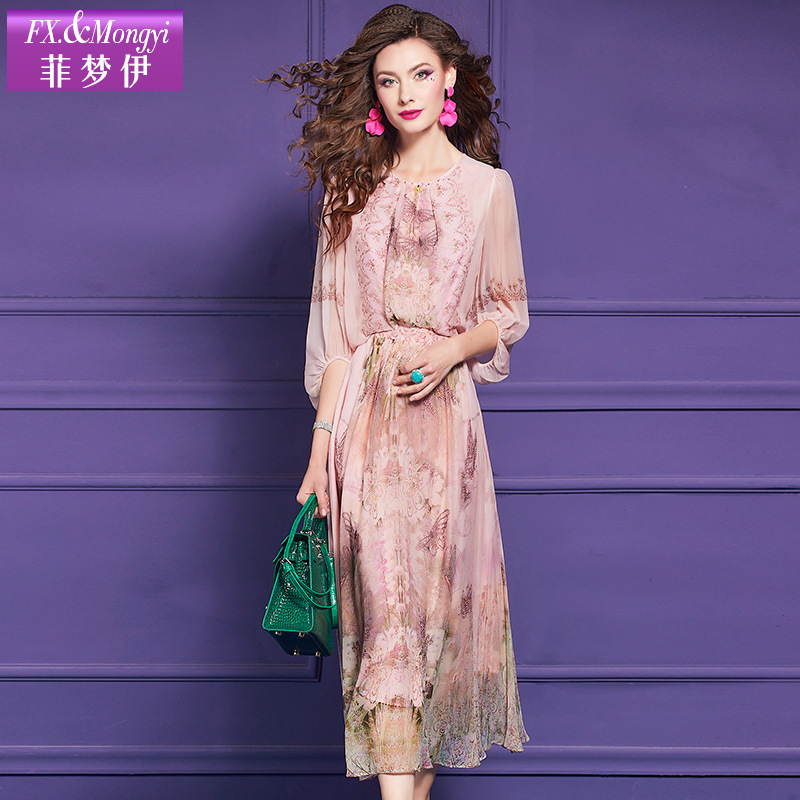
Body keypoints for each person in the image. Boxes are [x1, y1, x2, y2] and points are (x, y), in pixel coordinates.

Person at [261, 5, 529, 798]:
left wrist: (451, 349)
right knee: (388, 625)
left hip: (448, 433)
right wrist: (320, 452)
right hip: (368, 431)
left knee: (435, 633)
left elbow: (509, 311)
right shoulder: (351, 190)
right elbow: (336, 338)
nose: (405, 92)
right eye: (388, 80)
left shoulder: (487, 189)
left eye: (419, 74)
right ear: (373, 94)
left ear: (448, 79)